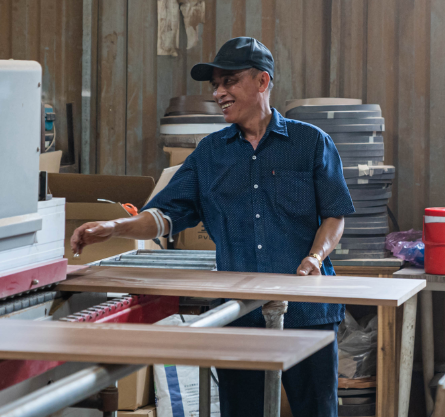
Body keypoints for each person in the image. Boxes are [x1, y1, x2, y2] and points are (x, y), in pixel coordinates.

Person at [71, 36, 355, 417]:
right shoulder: (209, 154)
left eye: (229, 81)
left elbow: (335, 214)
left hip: (309, 313)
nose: (219, 93)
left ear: (262, 81)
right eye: (216, 85)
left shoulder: (311, 143)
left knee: (317, 411)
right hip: (239, 317)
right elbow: (163, 215)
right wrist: (114, 227)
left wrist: (316, 257)